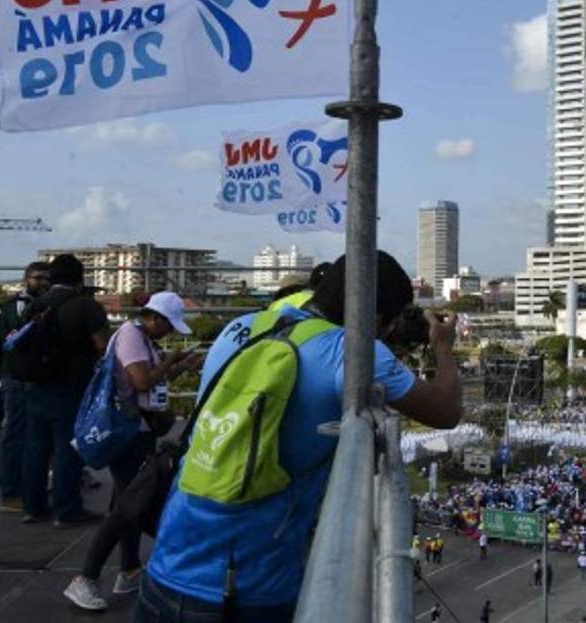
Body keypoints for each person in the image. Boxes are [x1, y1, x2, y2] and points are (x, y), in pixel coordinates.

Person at [138, 252, 463, 621]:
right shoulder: (352, 352)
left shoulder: (243, 326)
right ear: (373, 320)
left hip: (167, 561)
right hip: (248, 588)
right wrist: (443, 345)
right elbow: (447, 411)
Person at [64, 293, 203, 611]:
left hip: (135, 429)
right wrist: (171, 361)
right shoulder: (130, 335)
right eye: (168, 325)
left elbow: (148, 383)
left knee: (128, 502)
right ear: (153, 317)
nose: (168, 333)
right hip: (127, 429)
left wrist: (178, 367)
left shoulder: (144, 340)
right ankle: (85, 578)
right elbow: (141, 382)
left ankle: (129, 569)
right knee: (128, 505)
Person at [21, 254, 109, 526]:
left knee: (36, 448)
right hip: (70, 386)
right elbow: (103, 348)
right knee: (67, 449)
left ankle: (33, 507)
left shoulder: (35, 306)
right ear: (80, 277)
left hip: (35, 385)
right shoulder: (86, 306)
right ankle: (67, 510)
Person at [0, 262, 50, 511]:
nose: (42, 282)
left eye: (46, 278)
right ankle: (10, 492)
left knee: (30, 434)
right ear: (26, 279)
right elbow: (12, 341)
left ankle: (25, 487)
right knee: (15, 433)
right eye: (38, 277)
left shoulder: (40, 305)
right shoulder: (15, 307)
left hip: (31, 377)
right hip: (16, 377)